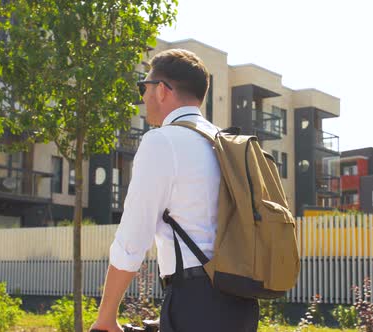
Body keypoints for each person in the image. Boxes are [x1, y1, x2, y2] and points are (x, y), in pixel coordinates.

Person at [90, 49, 259, 332]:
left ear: (162, 90)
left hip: (195, 300)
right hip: (242, 302)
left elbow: (132, 238)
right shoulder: (226, 142)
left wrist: (106, 317)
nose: (142, 96)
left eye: (143, 87)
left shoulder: (162, 142)